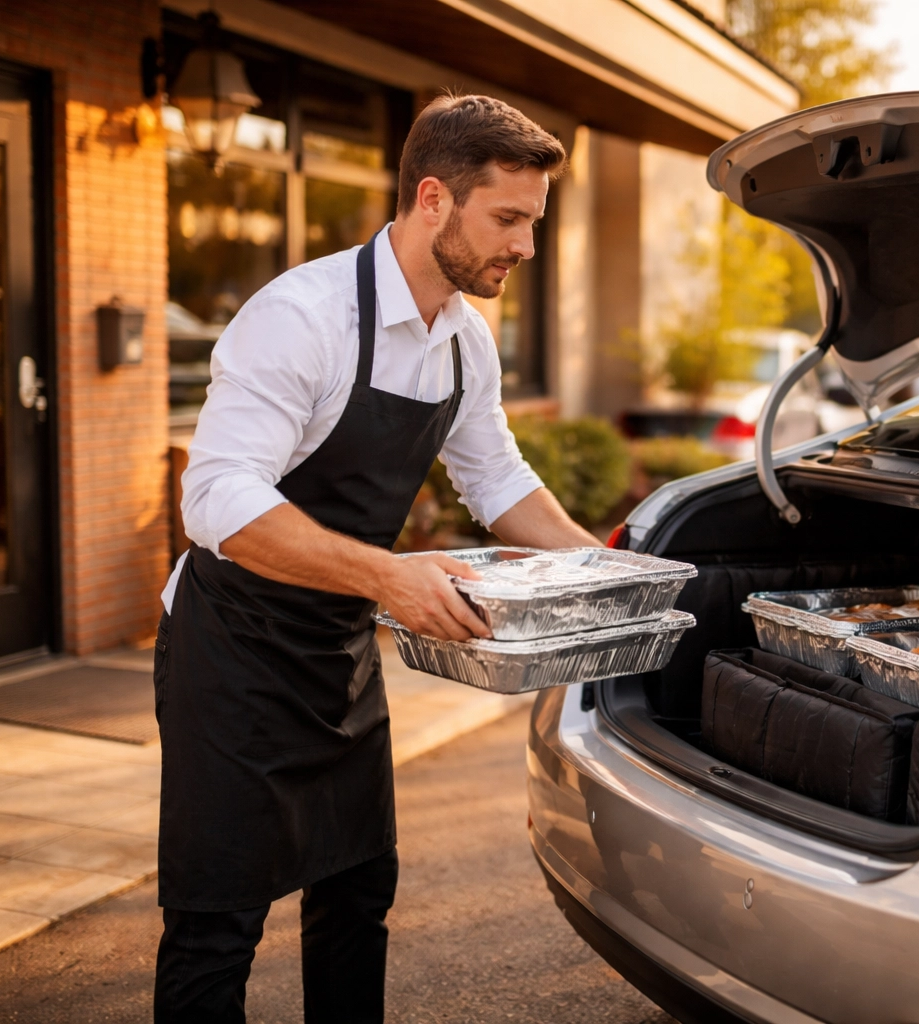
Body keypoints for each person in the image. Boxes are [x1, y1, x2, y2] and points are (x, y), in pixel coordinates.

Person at [152, 94, 600, 1023]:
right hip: (231, 653)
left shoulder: (466, 339)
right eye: (507, 219)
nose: (525, 246)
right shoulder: (302, 316)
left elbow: (497, 481)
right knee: (218, 925)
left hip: (338, 653)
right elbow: (217, 500)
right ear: (432, 199)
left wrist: (611, 571)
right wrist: (391, 577)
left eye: (533, 222)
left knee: (359, 895)